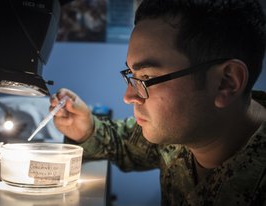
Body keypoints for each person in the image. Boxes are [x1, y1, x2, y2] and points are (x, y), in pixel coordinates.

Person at [50, 0, 266, 205]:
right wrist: (86, 127)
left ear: (225, 83)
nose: (128, 96)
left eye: (146, 78)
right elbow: (123, 143)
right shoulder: (181, 130)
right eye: (132, 75)